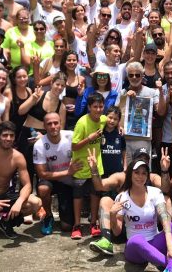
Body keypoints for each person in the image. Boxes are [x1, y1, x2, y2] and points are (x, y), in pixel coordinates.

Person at [112, 159, 172, 272]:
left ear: (147, 176)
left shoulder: (155, 192)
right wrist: (112, 214)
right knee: (136, 239)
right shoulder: (122, 197)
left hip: (154, 242)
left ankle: (171, 268)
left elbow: (165, 218)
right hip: (135, 250)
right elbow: (117, 232)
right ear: (130, 174)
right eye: (136, 172)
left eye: (144, 173)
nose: (140, 176)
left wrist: (170, 245)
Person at [34, 112, 82, 235]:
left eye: (56, 123)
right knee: (43, 189)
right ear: (44, 126)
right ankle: (48, 216)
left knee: (66, 227)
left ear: (61, 124)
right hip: (50, 179)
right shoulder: (39, 145)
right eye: (49, 124)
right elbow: (42, 174)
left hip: (66, 182)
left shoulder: (71, 136)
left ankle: (64, 216)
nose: (53, 126)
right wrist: (68, 172)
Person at [70, 93, 107, 239]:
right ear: (89, 107)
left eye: (100, 106)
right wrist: (89, 139)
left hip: (96, 166)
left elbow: (112, 119)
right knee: (78, 197)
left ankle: (93, 223)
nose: (98, 110)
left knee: (95, 194)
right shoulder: (82, 123)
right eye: (95, 107)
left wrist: (120, 126)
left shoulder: (103, 119)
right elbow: (74, 146)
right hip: (80, 166)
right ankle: (77, 225)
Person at [117, 61, 160, 162]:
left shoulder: (152, 92)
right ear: (127, 77)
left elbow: (161, 112)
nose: (134, 77)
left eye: (137, 75)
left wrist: (161, 92)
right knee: (127, 171)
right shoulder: (122, 93)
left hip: (143, 139)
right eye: (131, 75)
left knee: (143, 169)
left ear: (142, 76)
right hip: (126, 139)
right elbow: (116, 113)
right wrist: (125, 97)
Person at [100, 107, 126, 177]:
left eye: (115, 119)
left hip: (117, 172)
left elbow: (123, 150)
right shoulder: (100, 132)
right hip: (102, 172)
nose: (112, 121)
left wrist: (125, 165)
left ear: (118, 121)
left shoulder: (120, 134)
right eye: (110, 117)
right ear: (105, 117)